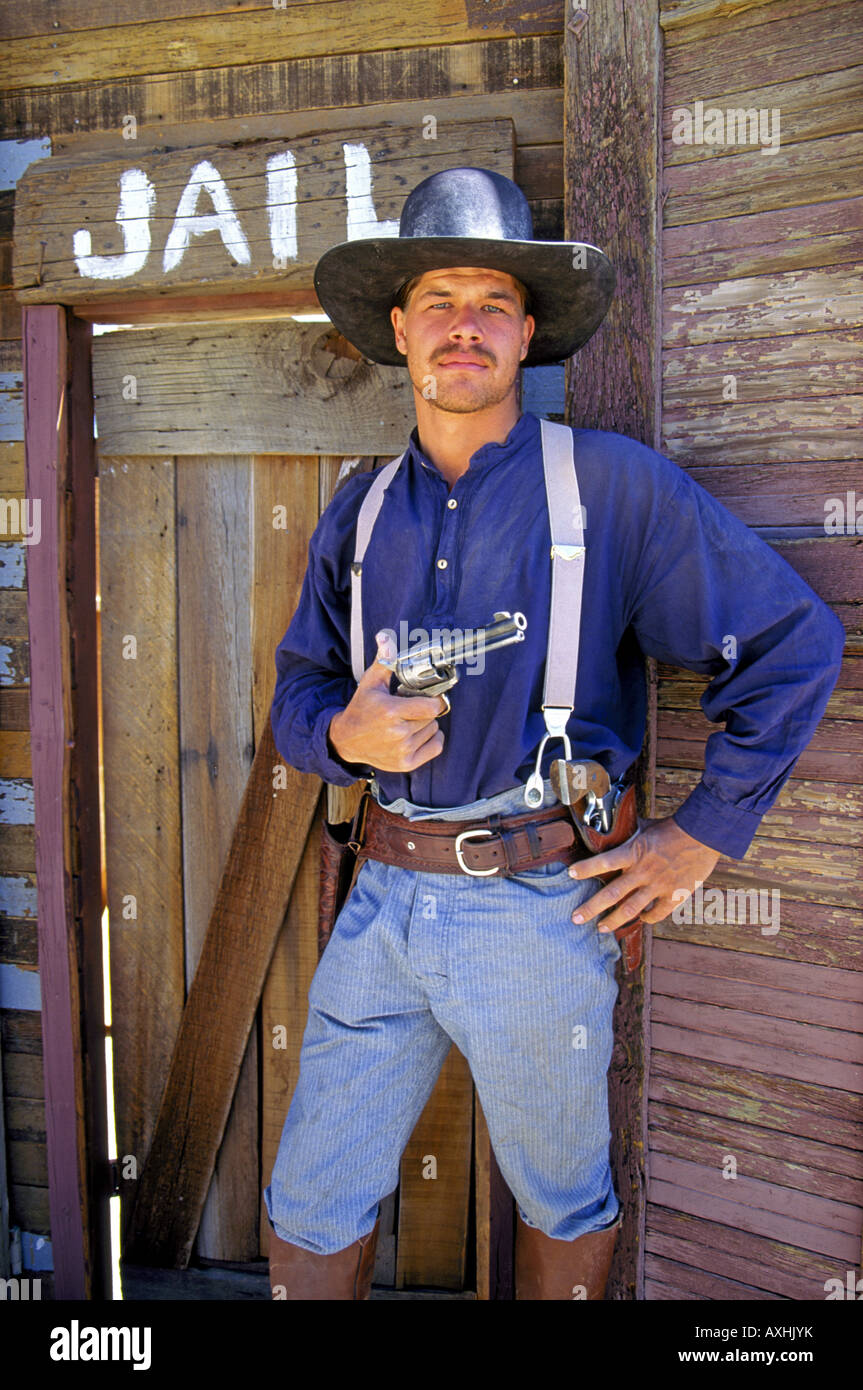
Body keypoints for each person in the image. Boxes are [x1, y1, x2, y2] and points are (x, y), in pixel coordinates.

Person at [263, 167, 845, 1301]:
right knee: (310, 1195)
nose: (464, 326)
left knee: (560, 1199)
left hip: (537, 906)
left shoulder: (609, 490)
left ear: (526, 331)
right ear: (399, 327)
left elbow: (792, 643)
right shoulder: (359, 508)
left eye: (491, 302)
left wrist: (700, 838)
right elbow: (293, 698)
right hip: (377, 899)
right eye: (439, 300)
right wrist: (343, 733)